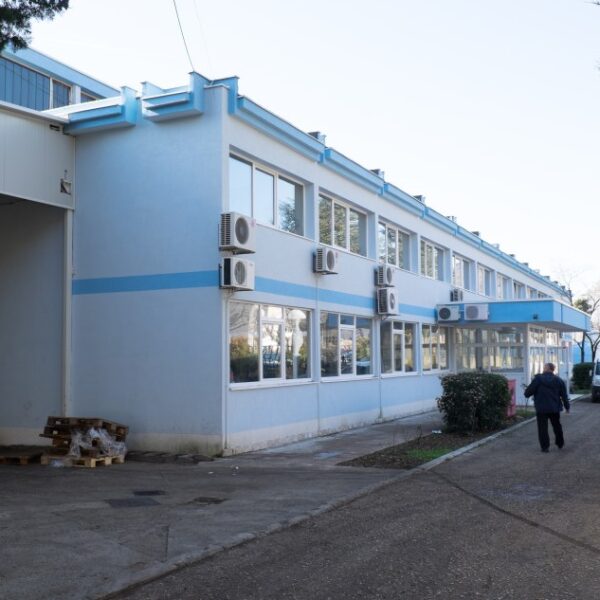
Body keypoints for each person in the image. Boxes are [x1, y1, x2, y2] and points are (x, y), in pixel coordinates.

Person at [524, 362, 570, 453]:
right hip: (554, 407)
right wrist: (567, 407)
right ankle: (560, 443)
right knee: (557, 425)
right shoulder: (559, 380)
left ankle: (545, 447)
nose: (543, 369)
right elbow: (564, 395)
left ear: (547, 369)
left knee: (542, 428)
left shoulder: (538, 379)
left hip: (541, 408)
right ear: (553, 370)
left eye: (544, 367)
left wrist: (527, 392)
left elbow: (528, 393)